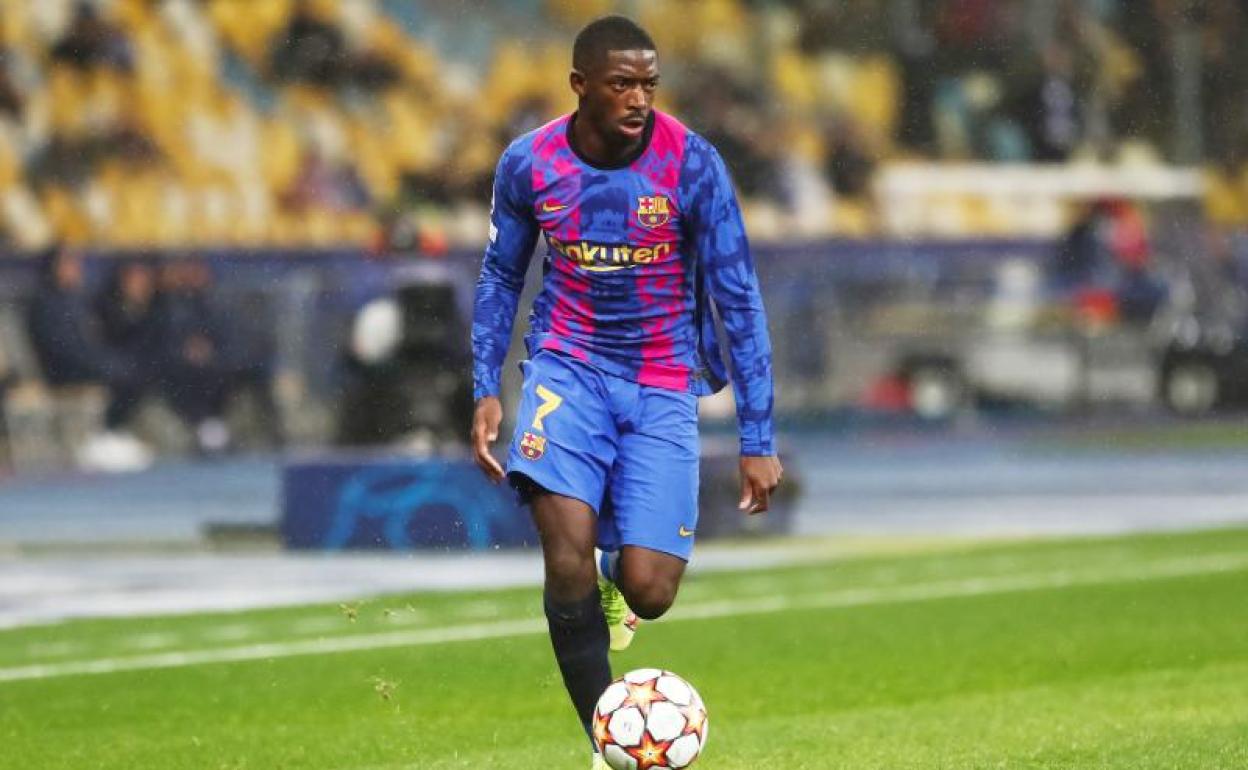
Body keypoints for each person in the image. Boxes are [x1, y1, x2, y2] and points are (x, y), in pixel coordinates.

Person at [469, 17, 782, 768]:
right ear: (580, 86)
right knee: (564, 555)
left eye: (649, 83)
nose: (639, 98)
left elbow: (739, 299)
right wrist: (486, 385)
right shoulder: (529, 163)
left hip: (662, 380)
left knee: (651, 590)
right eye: (621, 84)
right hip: (565, 368)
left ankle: (615, 585)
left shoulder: (692, 164)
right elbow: (502, 275)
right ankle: (606, 743)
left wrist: (757, 437)